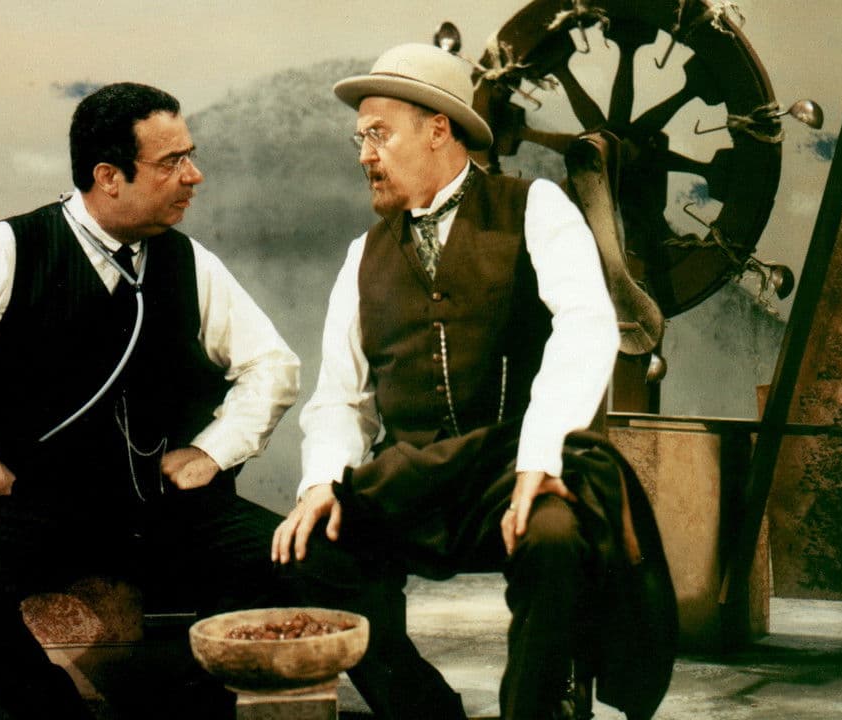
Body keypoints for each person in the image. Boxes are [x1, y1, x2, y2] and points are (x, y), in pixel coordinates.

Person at [0, 82, 301, 719]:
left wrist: (213, 451)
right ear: (108, 177)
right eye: (172, 162)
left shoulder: (189, 261)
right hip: (30, 503)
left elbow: (273, 366)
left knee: (292, 561)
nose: (194, 175)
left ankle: (189, 712)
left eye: (191, 156)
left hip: (153, 504)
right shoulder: (11, 248)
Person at [272, 44, 676, 720]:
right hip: (411, 483)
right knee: (309, 549)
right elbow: (342, 398)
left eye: (378, 134)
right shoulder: (362, 255)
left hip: (509, 472)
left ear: (439, 128)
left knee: (555, 538)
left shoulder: (536, 207)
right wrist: (321, 482)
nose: (364, 155)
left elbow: (586, 325)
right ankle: (425, 713)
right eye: (359, 138)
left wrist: (540, 458)